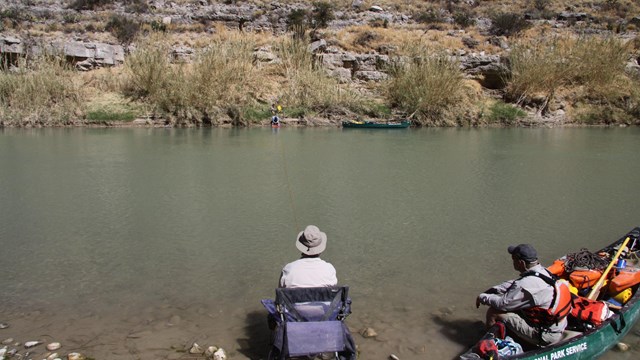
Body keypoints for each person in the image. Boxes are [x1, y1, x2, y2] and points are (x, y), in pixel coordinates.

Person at [475, 244, 572, 347]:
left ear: (521, 263)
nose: (512, 261)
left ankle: (489, 345)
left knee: (494, 311)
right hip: (557, 325)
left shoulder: (525, 285)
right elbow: (515, 283)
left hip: (544, 335)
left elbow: (502, 304)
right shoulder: (543, 271)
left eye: (513, 259)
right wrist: (494, 289)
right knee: (512, 305)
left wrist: (482, 297)